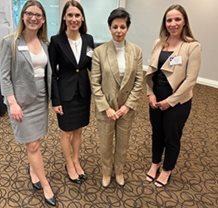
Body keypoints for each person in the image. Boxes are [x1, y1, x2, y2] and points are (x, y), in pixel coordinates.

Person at [0, 0, 56, 206]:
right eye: (29, 13)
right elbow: (4, 76)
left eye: (38, 15)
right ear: (22, 16)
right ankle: (45, 184)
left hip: (41, 99)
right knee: (32, 144)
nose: (33, 17)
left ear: (42, 20)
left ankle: (33, 169)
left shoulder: (45, 44)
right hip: (21, 102)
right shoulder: (10, 42)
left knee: (37, 141)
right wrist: (12, 103)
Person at [145, 4, 201, 187]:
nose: (173, 23)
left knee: (172, 135)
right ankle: (155, 163)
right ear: (165, 23)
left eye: (177, 19)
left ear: (184, 22)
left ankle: (167, 169)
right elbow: (150, 71)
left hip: (178, 100)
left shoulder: (192, 46)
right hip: (157, 96)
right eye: (169, 20)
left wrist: (170, 101)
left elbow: (191, 80)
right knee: (157, 133)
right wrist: (150, 94)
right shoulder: (158, 43)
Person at [91, 8, 143, 187]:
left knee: (123, 144)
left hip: (126, 109)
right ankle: (106, 172)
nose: (118, 30)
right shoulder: (99, 52)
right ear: (109, 28)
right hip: (106, 108)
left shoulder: (136, 51)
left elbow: (138, 81)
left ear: (127, 28)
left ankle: (119, 171)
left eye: (122, 27)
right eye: (115, 27)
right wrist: (106, 107)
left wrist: (127, 106)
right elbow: (95, 83)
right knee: (105, 144)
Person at [48, 0, 94, 184]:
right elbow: (51, 73)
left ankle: (76, 159)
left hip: (83, 92)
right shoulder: (56, 41)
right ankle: (69, 164)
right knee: (66, 132)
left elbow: (92, 66)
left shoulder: (89, 39)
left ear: (82, 18)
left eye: (77, 15)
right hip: (64, 94)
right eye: (70, 15)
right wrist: (55, 100)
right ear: (64, 18)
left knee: (79, 130)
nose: (74, 19)